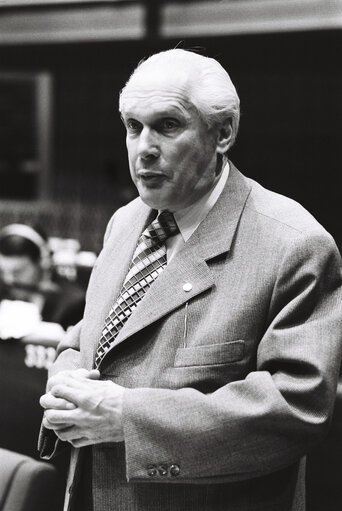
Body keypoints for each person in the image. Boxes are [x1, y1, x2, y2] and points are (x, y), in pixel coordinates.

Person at [39, 49, 342, 511]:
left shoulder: (294, 244)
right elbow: (91, 334)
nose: (144, 148)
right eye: (133, 126)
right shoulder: (126, 221)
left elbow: (295, 408)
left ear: (223, 133)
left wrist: (129, 417)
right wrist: (64, 379)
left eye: (167, 125)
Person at [0, 224, 85, 330]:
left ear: (42, 263)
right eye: (3, 271)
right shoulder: (3, 291)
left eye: (18, 272)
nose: (9, 280)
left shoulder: (72, 303)